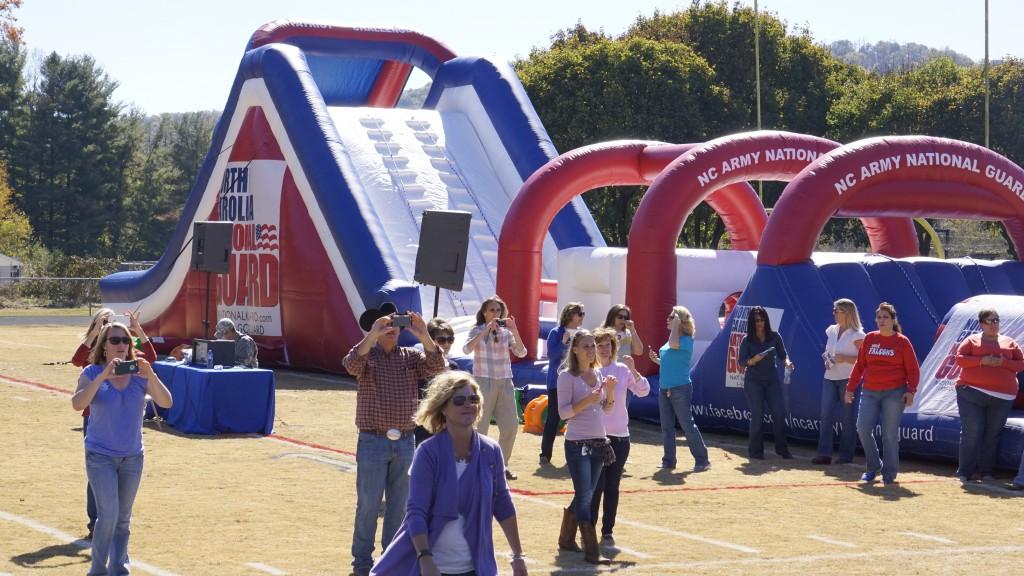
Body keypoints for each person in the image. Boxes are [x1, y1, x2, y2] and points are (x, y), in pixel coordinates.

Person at [371, 372, 528, 576]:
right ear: (444, 408)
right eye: (459, 400)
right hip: (432, 567)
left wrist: (517, 556)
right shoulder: (428, 452)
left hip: (476, 567)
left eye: (474, 399)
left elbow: (503, 503)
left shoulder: (491, 451)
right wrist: (425, 558)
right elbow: (416, 511)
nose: (468, 405)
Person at [343, 308, 447, 576]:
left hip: (404, 441)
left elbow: (439, 366)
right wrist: (372, 334)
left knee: (400, 507)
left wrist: (423, 334)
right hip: (373, 440)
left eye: (396, 323)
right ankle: (362, 564)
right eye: (387, 324)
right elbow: (351, 364)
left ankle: (390, 562)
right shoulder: (367, 355)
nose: (392, 328)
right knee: (368, 504)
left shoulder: (411, 357)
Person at [70, 321, 173, 576]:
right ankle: (97, 570)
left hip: (132, 457)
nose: (121, 345)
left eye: (125, 340)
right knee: (108, 516)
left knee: (123, 519)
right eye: (114, 340)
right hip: (100, 455)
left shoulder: (139, 374)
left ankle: (119, 568)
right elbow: (78, 403)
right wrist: (104, 375)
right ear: (104, 345)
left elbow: (166, 401)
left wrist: (150, 375)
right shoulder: (92, 372)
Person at [72, 309, 157, 541]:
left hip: (121, 418)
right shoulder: (95, 348)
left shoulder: (123, 346)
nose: (118, 340)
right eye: (107, 323)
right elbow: (77, 359)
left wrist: (137, 330)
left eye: (121, 336)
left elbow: (148, 356)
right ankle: (95, 522)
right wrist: (95, 333)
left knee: (118, 478)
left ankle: (114, 527)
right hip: (94, 415)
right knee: (98, 475)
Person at [557, 330, 616, 565]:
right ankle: (592, 551)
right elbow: (563, 413)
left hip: (598, 441)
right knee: (585, 497)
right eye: (586, 346)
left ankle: (566, 538)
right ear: (575, 350)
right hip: (577, 443)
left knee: (587, 494)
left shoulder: (598, 373)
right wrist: (585, 402)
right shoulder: (566, 376)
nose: (592, 350)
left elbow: (607, 410)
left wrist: (609, 392)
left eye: (593, 346)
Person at [846, 302, 919, 485]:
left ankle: (889, 472)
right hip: (870, 390)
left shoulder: (902, 341)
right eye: (879, 317)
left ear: (893, 320)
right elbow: (860, 366)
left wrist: (911, 391)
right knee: (862, 428)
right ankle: (873, 466)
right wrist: (850, 388)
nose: (881, 320)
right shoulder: (870, 338)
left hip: (894, 392)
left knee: (889, 433)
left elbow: (913, 370)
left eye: (885, 317)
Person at [590, 327, 649, 545]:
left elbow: (643, 391)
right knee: (596, 485)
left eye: (607, 345)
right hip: (595, 436)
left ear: (613, 347)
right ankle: (589, 528)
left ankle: (607, 530)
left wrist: (634, 371)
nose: (604, 349)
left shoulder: (623, 369)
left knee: (612, 485)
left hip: (620, 437)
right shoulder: (589, 371)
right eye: (599, 345)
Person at [954, 308, 1024, 482]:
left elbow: (1021, 364)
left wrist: (1003, 362)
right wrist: (981, 360)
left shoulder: (1010, 342)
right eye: (990, 321)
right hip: (971, 393)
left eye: (996, 321)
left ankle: (987, 472)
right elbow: (959, 359)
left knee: (992, 434)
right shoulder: (971, 340)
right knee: (972, 431)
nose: (994, 324)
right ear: (981, 324)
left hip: (1003, 397)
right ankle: (964, 472)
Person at [463, 296, 528, 480]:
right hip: (483, 381)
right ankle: (477, 466)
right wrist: (485, 331)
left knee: (511, 426)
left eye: (498, 310)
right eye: (492, 310)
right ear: (484, 312)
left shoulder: (506, 333)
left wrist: (514, 330)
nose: (496, 314)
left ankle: (502, 465)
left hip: (505, 381)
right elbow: (467, 349)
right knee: (480, 427)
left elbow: (521, 352)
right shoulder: (476, 330)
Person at [649, 306, 711, 470]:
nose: (667, 319)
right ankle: (668, 461)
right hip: (665, 388)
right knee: (666, 427)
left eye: (671, 317)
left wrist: (676, 324)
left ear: (680, 321)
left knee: (687, 425)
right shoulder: (673, 338)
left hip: (680, 388)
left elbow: (673, 344)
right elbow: (671, 362)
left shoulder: (685, 340)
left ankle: (702, 461)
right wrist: (657, 361)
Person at [813, 299, 866, 465]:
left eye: (837, 310)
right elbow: (828, 351)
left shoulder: (858, 335)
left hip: (848, 380)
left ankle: (846, 455)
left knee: (848, 418)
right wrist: (827, 360)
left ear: (847, 313)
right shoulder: (832, 330)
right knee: (825, 415)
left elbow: (865, 360)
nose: (834, 313)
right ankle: (824, 454)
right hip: (829, 378)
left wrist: (845, 358)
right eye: (834, 310)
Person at [738, 306, 794, 460]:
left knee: (779, 413)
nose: (760, 323)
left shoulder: (774, 336)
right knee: (757, 415)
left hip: (771, 380)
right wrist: (752, 360)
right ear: (751, 322)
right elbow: (741, 362)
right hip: (753, 382)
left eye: (762, 319)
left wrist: (788, 363)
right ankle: (756, 452)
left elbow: (783, 355)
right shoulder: (747, 340)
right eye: (756, 320)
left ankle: (782, 450)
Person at [540, 302, 585, 465]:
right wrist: (564, 342)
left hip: (579, 381)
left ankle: (576, 455)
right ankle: (545, 455)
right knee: (553, 418)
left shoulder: (582, 335)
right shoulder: (556, 332)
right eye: (579, 313)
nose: (582, 317)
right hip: (557, 382)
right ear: (570, 315)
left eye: (583, 314)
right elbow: (552, 355)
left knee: (577, 418)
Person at [414, 318, 460, 447]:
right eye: (441, 340)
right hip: (422, 424)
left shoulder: (454, 367)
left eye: (450, 339)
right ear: (429, 340)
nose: (446, 344)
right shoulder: (418, 364)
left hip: (447, 424)